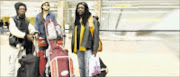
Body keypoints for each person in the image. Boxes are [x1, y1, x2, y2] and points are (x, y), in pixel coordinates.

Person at [8, 2, 38, 76]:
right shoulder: (12, 19)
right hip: (14, 45)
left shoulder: (26, 21)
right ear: (17, 10)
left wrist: (35, 32)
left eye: (24, 9)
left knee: (22, 64)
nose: (22, 10)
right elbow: (14, 31)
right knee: (12, 64)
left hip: (23, 45)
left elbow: (31, 28)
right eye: (20, 9)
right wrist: (26, 35)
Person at [71, 2, 99, 77]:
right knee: (81, 68)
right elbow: (74, 35)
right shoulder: (76, 21)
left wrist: (95, 49)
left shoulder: (92, 20)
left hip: (88, 48)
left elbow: (96, 35)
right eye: (78, 8)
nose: (80, 9)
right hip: (79, 49)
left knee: (88, 68)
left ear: (85, 9)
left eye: (82, 8)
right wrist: (74, 47)